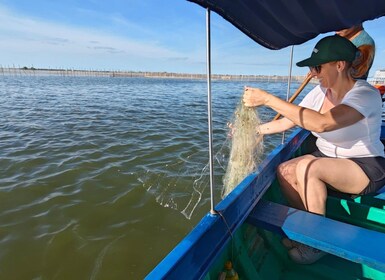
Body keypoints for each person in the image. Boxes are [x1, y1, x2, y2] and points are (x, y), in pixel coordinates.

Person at [243, 35, 385, 264]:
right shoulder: (319, 92)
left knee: (309, 168)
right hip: (326, 159)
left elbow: (321, 123)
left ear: (339, 65)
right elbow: (289, 121)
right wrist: (254, 131)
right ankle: (309, 229)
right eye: (311, 67)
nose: (313, 73)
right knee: (285, 170)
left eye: (317, 67)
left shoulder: (365, 94)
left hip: (364, 165)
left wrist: (267, 99)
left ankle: (315, 244)